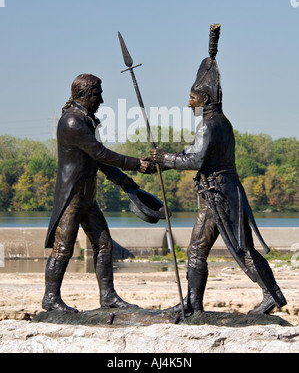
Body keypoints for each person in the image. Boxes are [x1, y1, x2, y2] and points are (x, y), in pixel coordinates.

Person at [150, 28, 287, 315]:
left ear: (205, 99)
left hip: (217, 196)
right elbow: (194, 155)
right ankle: (196, 302)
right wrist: (168, 157)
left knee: (225, 250)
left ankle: (198, 303)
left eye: (193, 98)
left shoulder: (209, 126)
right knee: (226, 248)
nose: (189, 103)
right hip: (220, 193)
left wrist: (165, 158)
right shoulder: (219, 123)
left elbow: (194, 159)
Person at [43, 73, 155, 312]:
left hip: (87, 197)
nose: (101, 99)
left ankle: (108, 297)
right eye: (98, 94)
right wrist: (136, 163)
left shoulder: (87, 120)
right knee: (63, 249)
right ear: (83, 94)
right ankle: (51, 299)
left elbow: (98, 160)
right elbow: (100, 153)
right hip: (71, 198)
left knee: (104, 245)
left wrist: (123, 180)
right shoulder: (72, 122)